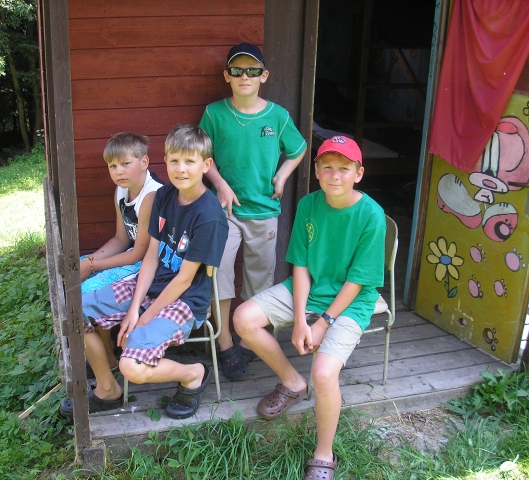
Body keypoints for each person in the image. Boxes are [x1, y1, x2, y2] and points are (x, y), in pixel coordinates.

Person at [233, 136, 386, 480]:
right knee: (244, 318)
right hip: (310, 289)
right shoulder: (308, 204)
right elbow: (300, 266)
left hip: (351, 301)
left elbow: (358, 281)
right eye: (327, 167)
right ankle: (292, 382)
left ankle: (324, 454)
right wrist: (302, 319)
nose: (335, 175)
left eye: (344, 168)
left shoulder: (371, 215)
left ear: (359, 173)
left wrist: (323, 322)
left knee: (325, 373)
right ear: (316, 171)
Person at [62, 124, 229, 419]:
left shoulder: (209, 216)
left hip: (183, 300)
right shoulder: (163, 196)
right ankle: (107, 389)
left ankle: (193, 373)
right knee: (76, 311)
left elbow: (184, 280)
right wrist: (133, 308)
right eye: (174, 160)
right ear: (164, 161)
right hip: (150, 286)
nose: (181, 169)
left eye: (189, 161)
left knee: (132, 367)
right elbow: (151, 255)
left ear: (206, 165)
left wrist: (143, 317)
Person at [199, 42, 307, 380]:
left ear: (264, 76)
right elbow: (202, 156)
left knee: (260, 277)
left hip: (264, 210)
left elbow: (298, 149)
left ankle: (249, 342)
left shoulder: (278, 116)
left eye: (252, 71)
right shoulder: (214, 114)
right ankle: (225, 342)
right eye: (237, 70)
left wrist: (283, 175)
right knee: (220, 273)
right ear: (227, 76)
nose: (244, 76)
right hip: (225, 211)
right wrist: (220, 184)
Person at [80, 132, 162, 380]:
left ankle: (106, 356)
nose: (119, 171)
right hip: (133, 256)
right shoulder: (122, 190)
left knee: (87, 289)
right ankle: (106, 354)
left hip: (151, 265)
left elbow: (139, 253)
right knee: (77, 269)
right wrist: (89, 261)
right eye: (113, 166)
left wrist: (93, 266)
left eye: (126, 164)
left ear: (144, 162)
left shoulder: (151, 195)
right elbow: (121, 238)